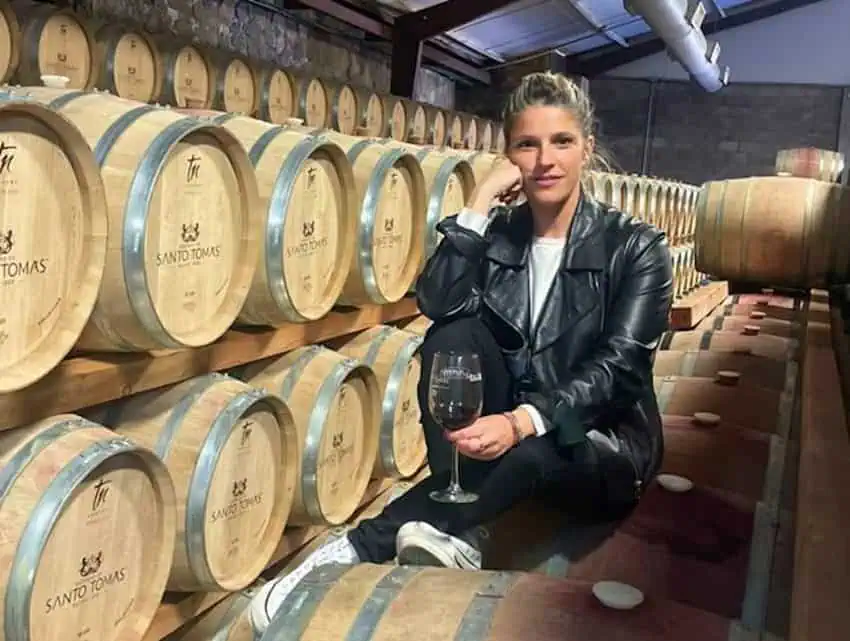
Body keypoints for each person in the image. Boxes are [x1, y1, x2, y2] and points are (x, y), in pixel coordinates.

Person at [249, 71, 674, 634]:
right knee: (450, 339)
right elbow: (438, 302)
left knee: (537, 447)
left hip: (592, 431)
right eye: (527, 143)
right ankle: (462, 511)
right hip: (512, 417)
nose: (545, 159)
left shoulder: (635, 247)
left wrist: (522, 422)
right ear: (509, 155)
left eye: (562, 142)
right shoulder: (499, 233)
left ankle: (360, 547)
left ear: (587, 149)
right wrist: (475, 206)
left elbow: (619, 370)